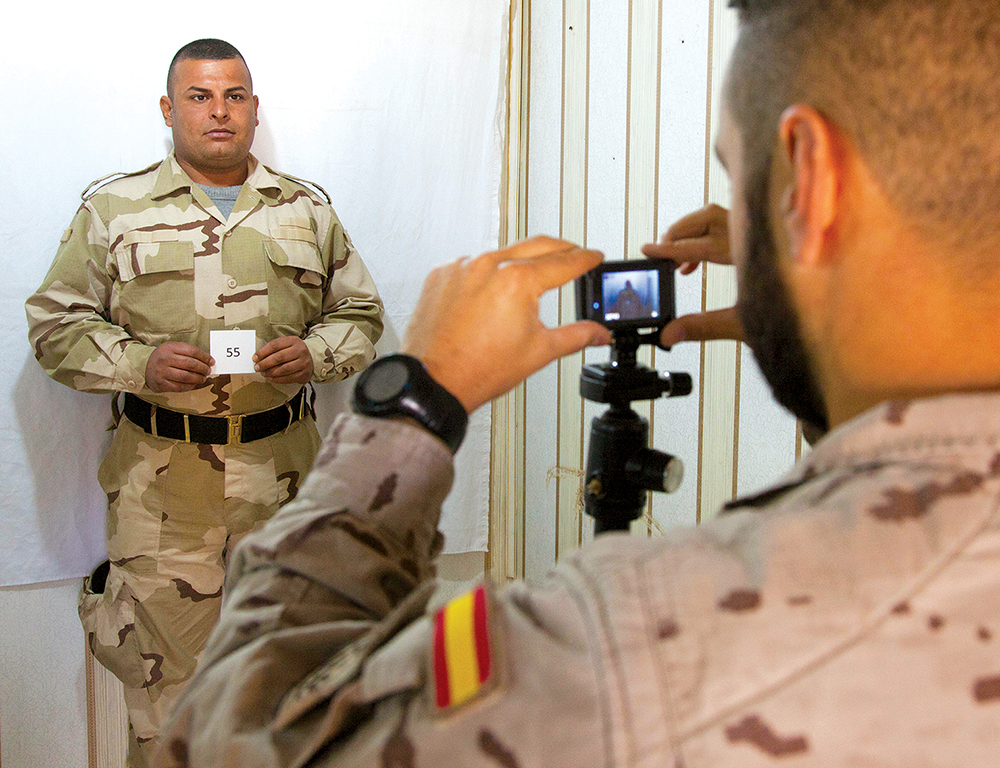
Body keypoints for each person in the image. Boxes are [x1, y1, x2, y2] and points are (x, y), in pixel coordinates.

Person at [157, 2, 1000, 765]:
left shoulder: (634, 642)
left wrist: (414, 402)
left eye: (743, 181)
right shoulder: (112, 209)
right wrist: (825, 314)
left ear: (809, 182)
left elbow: (237, 737)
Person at [25, 38, 383, 766]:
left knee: (284, 687)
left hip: (282, 481)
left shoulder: (306, 209)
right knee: (169, 705)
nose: (219, 112)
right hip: (163, 489)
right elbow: (53, 325)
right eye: (199, 96)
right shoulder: (115, 209)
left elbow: (362, 316)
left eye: (234, 96)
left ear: (254, 109)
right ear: (169, 108)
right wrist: (139, 361)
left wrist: (315, 354)